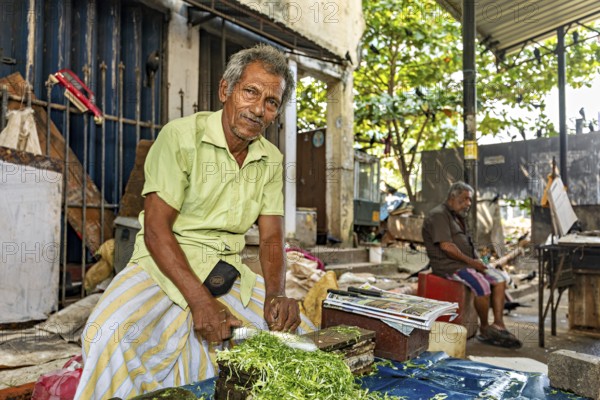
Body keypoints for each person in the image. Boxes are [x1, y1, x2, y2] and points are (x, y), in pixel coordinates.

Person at [75, 44, 314, 399]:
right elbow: (156, 230)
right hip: (161, 263)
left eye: (271, 102)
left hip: (224, 270)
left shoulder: (271, 158)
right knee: (106, 335)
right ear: (225, 91)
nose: (258, 109)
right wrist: (200, 301)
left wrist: (277, 293)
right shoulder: (180, 138)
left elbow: (271, 239)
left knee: (301, 339)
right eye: (250, 92)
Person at [422, 181, 522, 348]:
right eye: (465, 199)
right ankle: (484, 328)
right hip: (449, 266)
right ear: (453, 197)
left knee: (499, 278)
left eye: (470, 200)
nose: (468, 203)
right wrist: (473, 263)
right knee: (482, 285)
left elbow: (467, 244)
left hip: (465, 264)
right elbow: (446, 246)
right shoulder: (438, 215)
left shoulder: (457, 216)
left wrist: (481, 263)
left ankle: (498, 324)